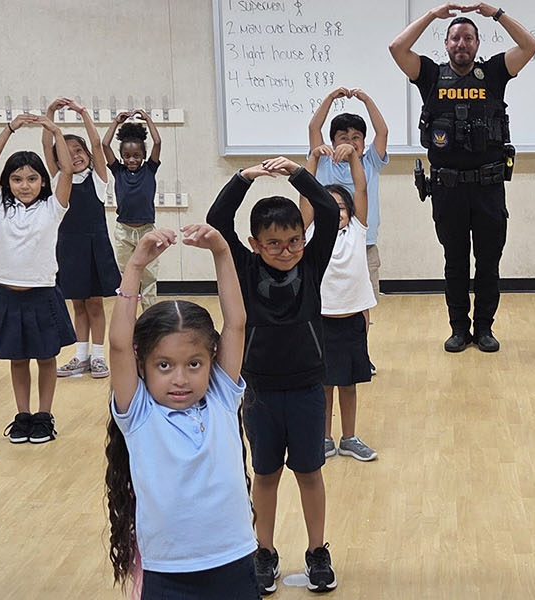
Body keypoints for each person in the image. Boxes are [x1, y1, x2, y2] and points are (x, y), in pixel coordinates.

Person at [203, 157, 340, 594]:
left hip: (306, 387)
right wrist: (245, 178)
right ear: (254, 243)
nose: (286, 250)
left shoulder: (312, 262)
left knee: (309, 473)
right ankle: (264, 551)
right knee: (264, 474)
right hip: (259, 389)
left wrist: (299, 173)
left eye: (294, 241)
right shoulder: (243, 267)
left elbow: (331, 211)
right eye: (274, 243)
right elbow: (216, 220)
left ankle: (317, 551)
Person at [105, 224, 259, 599]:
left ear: (211, 361)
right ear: (143, 365)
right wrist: (136, 265)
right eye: (164, 366)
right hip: (168, 571)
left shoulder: (221, 397)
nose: (180, 379)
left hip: (234, 559)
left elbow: (236, 323)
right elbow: (119, 343)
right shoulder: (139, 413)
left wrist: (222, 252)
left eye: (194, 364)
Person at [389, 2, 535, 353]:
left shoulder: (494, 74)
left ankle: (484, 328)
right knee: (455, 262)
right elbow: (397, 48)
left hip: (488, 189)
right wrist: (431, 15)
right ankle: (459, 329)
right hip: (447, 189)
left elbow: (530, 45)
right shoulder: (429, 75)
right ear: (446, 44)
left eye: (468, 38)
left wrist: (495, 14)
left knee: (488, 262)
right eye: (455, 38)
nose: (461, 44)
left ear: (477, 44)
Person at [0, 114, 78, 445]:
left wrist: (53, 131)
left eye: (32, 178)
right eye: (18, 179)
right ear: (8, 182)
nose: (25, 185)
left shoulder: (53, 207)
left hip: (42, 295)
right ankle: (23, 416)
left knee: (46, 358)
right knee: (17, 359)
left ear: (43, 182)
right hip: (8, 295)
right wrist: (10, 129)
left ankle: (44, 417)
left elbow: (66, 169)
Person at [41, 98, 121, 380]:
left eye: (79, 150)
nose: (75, 156)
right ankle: (81, 356)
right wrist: (50, 116)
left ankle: (99, 358)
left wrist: (83, 113)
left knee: (95, 304)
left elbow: (98, 144)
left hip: (95, 247)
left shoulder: (98, 179)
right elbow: (46, 149)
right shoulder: (59, 180)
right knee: (77, 305)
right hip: (69, 248)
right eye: (68, 152)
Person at [318, 157, 380, 462]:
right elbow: (306, 196)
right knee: (324, 384)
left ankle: (349, 437)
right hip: (322, 322)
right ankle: (325, 439)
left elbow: (361, 188)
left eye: (341, 207)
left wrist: (355, 157)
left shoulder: (357, 230)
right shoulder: (311, 236)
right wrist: (314, 157)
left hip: (353, 321)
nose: (336, 212)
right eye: (328, 207)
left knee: (349, 384)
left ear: (350, 213)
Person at [306, 87, 390, 298]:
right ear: (332, 143)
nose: (350, 143)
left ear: (363, 142)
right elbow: (314, 128)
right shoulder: (324, 161)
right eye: (343, 138)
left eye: (356, 137)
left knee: (365, 299)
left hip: (364, 245)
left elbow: (383, 132)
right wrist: (331, 98)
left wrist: (366, 99)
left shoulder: (370, 162)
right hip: (328, 241)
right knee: (327, 296)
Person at [109, 110, 165, 311]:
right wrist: (116, 122)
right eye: (127, 156)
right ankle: (127, 309)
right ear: (122, 156)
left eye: (136, 156)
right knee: (127, 273)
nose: (131, 160)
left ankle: (149, 312)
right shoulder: (118, 171)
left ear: (143, 156)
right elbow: (104, 145)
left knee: (149, 274)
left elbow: (157, 143)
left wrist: (148, 120)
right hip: (123, 230)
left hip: (147, 230)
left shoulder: (150, 169)